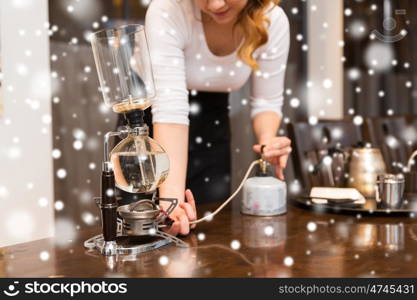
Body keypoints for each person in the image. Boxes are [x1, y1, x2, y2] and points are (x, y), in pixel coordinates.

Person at [144, 0, 291, 236]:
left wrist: (267, 141)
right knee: (146, 240)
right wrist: (171, 206)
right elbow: (170, 109)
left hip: (212, 128)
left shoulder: (273, 20)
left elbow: (266, 102)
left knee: (208, 239)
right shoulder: (168, 9)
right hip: (152, 130)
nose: (215, 4)